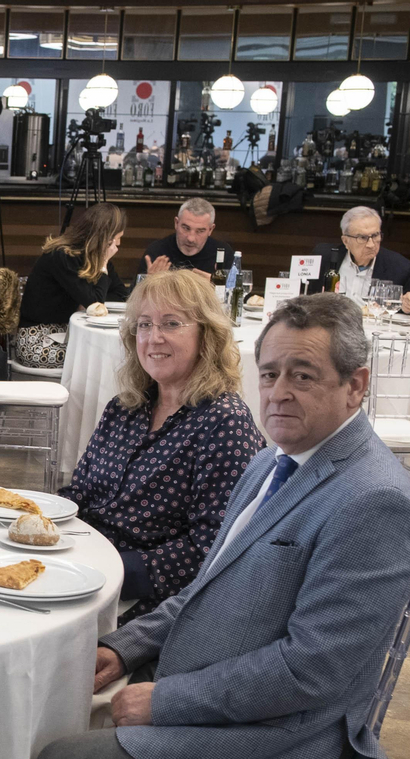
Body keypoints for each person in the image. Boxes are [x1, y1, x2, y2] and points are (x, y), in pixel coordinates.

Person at [4, 294, 410, 759]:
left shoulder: (372, 502)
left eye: (304, 375)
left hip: (284, 739)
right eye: (270, 374)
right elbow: (204, 591)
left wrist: (165, 699)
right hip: (217, 692)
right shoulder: (275, 463)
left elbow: (310, 673)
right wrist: (124, 645)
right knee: (47, 716)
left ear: (356, 386)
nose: (278, 392)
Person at [61, 270, 264, 623]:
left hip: (151, 602)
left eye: (171, 324)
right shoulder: (124, 407)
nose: (153, 338)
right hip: (81, 565)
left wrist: (105, 570)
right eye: (143, 325)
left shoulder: (224, 422)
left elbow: (211, 548)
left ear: (207, 335)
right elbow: (80, 492)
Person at [16, 203, 130, 371]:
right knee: (106, 358)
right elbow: (96, 304)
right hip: (37, 341)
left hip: (67, 333)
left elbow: (121, 295)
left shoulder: (91, 257)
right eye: (117, 237)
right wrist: (103, 265)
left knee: (116, 354)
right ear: (105, 237)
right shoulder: (62, 256)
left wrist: (89, 298)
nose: (119, 243)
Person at [308, 205, 410, 300]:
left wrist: (407, 306)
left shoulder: (400, 268)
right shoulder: (323, 257)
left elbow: (408, 309)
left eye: (375, 236)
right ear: (346, 241)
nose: (371, 244)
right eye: (362, 237)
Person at [141, 198, 235, 277]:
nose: (191, 238)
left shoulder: (222, 253)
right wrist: (148, 283)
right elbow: (132, 297)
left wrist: (215, 287)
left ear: (210, 230)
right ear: (176, 223)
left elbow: (235, 295)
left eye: (200, 231)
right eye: (186, 228)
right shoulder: (157, 251)